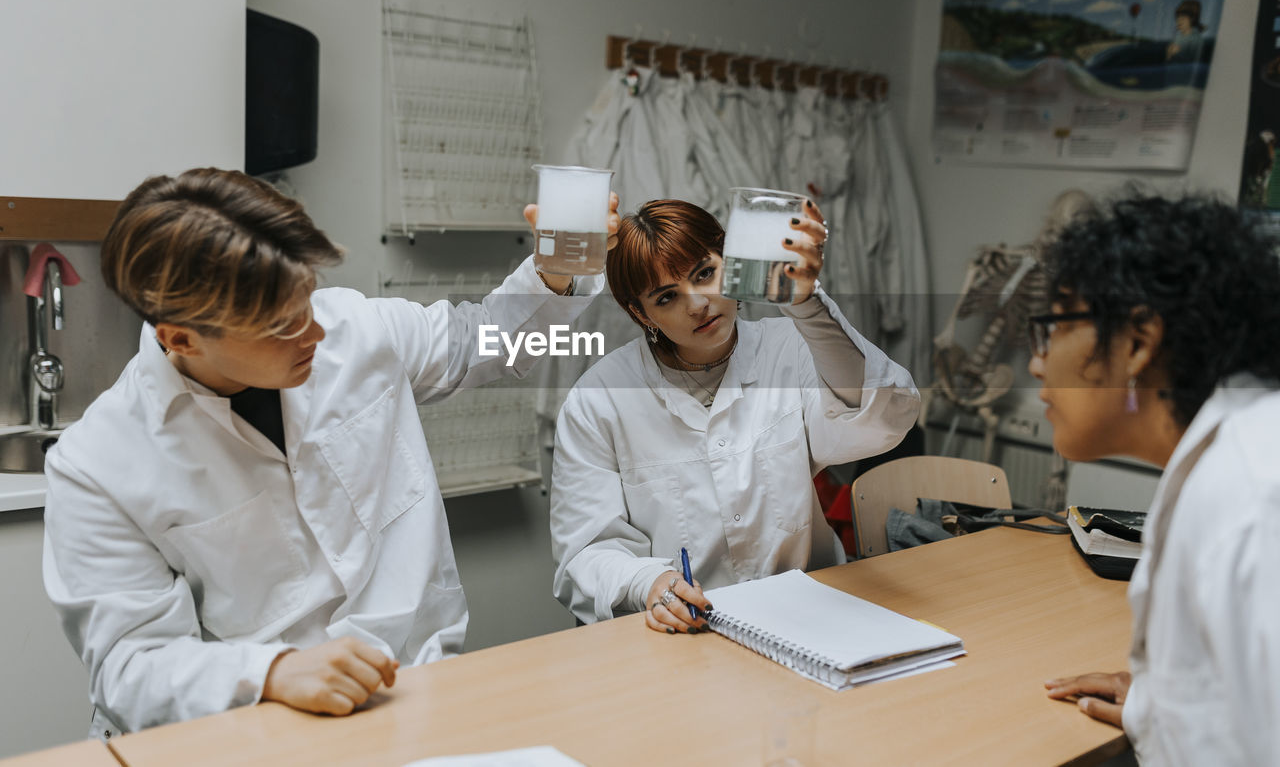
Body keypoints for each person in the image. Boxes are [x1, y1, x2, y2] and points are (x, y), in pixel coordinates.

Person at [42, 168, 618, 737]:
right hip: (253, 728)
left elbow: (482, 342)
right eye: (280, 326)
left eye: (308, 300)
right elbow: (129, 667)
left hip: (417, 694)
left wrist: (556, 275)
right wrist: (272, 672)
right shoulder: (97, 465)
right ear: (181, 338)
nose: (316, 333)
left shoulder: (355, 327)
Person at [549, 198, 919, 632]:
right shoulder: (599, 400)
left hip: (807, 620)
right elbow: (585, 553)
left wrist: (805, 305)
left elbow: (883, 420)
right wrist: (648, 581)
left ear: (731, 261)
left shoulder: (790, 346)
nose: (698, 305)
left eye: (705, 273)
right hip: (684, 636)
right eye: (667, 297)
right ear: (639, 312)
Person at [1029, 194, 1280, 764]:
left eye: (1053, 329)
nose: (1036, 364)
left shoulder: (1253, 494)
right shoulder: (1228, 453)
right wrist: (1168, 700)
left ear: (1138, 342)